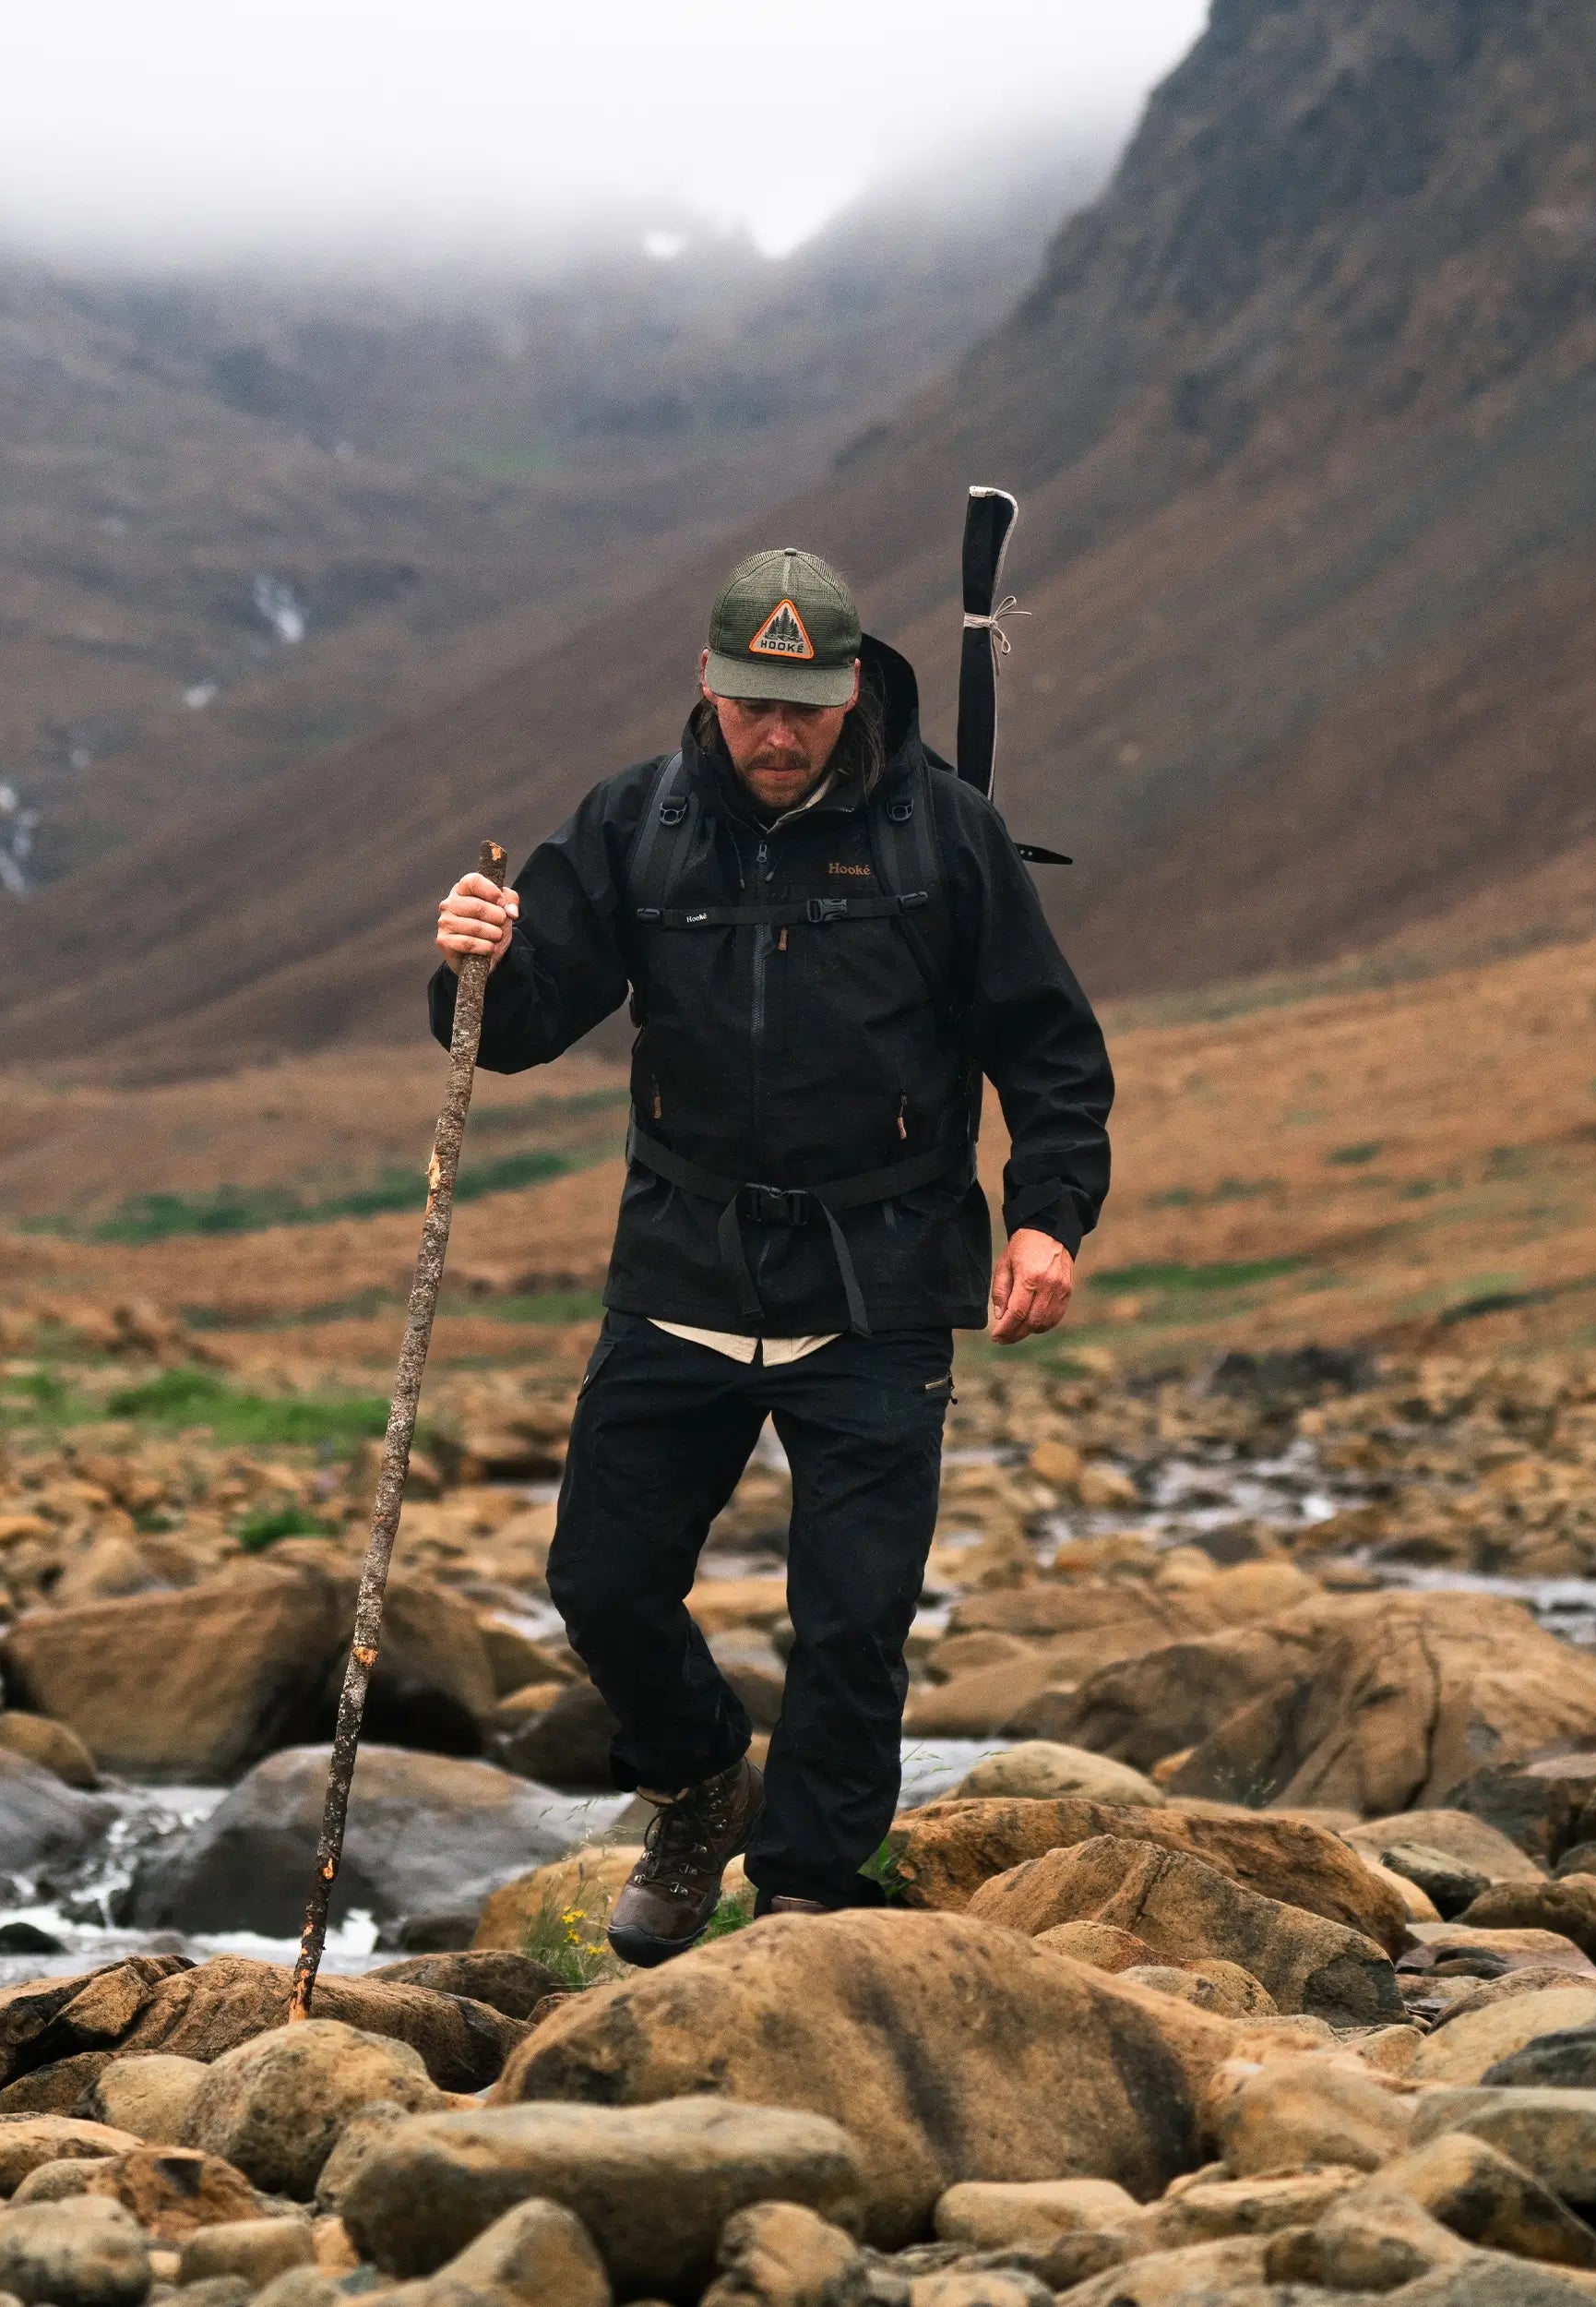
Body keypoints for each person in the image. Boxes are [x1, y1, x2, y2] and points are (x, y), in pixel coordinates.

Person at [431, 544, 1113, 1964]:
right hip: (686, 1266)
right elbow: (516, 1024)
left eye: (803, 703)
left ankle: (805, 1899)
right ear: (709, 683)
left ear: (851, 685)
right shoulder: (637, 822)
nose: (778, 731)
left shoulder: (946, 835)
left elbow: (1047, 1046)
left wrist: (1048, 1213)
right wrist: (474, 960)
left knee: (854, 1619)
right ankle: (696, 1787)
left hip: (887, 1272)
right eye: (752, 702)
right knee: (602, 1582)